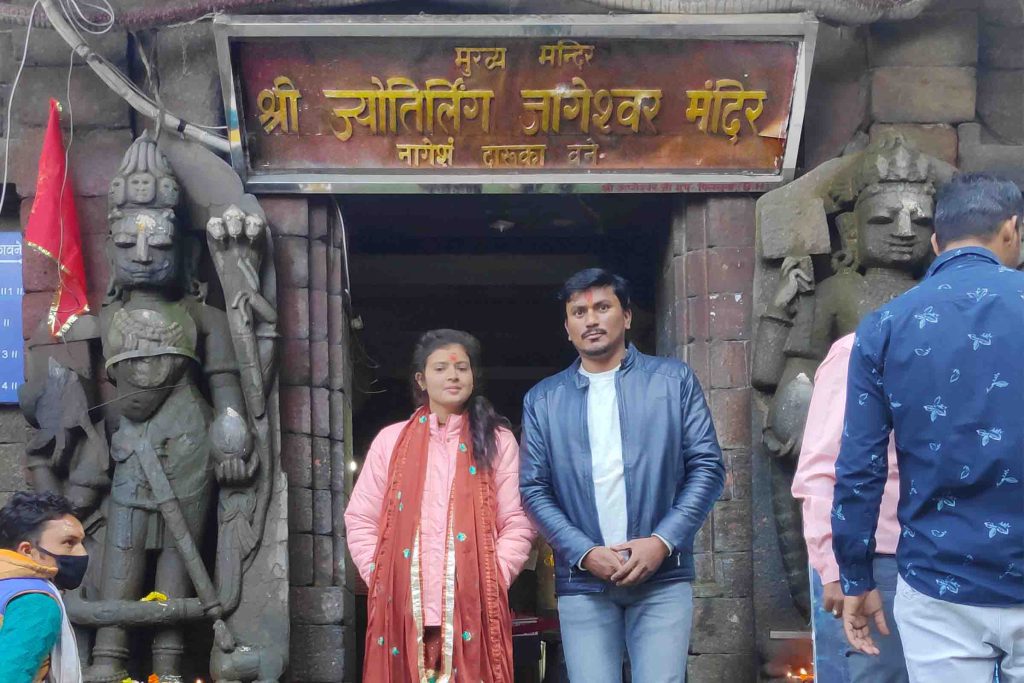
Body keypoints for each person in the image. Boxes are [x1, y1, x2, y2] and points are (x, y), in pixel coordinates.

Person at [833, 173, 1024, 681]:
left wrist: (855, 577)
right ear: (1012, 229)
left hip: (939, 582)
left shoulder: (885, 324)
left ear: (937, 242)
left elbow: (858, 467)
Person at [519, 268, 725, 683]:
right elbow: (533, 489)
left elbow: (707, 467)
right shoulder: (543, 399)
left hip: (662, 575)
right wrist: (584, 552)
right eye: (579, 311)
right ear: (567, 327)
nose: (591, 320)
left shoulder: (674, 381)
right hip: (583, 581)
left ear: (626, 317)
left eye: (602, 307)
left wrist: (661, 542)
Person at [345, 329, 534, 682]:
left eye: (461, 367)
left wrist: (491, 577)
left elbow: (518, 520)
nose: (452, 376)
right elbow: (360, 518)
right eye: (441, 368)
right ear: (421, 379)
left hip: (473, 608)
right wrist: (383, 577)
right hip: (402, 609)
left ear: (473, 376)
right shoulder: (391, 441)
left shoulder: (497, 441)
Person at [792, 334, 909, 682]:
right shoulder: (860, 349)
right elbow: (821, 467)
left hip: (961, 553)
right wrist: (833, 565)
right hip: (877, 557)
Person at [0, 491, 88, 683]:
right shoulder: (35, 601)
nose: (82, 552)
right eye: (69, 543)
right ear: (27, 550)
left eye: (82, 542)